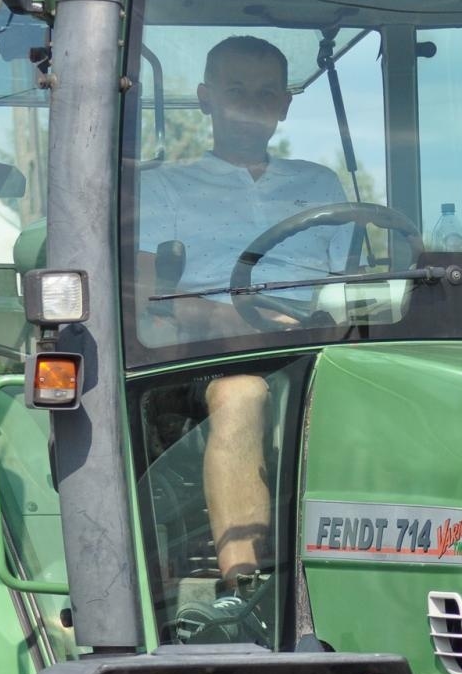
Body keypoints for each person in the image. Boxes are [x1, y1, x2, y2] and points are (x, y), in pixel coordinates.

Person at [136, 35, 347, 586]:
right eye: (236, 90)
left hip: (315, 347)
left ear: (284, 104)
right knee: (242, 393)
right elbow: (141, 299)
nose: (251, 102)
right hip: (202, 355)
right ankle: (243, 589)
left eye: (265, 92)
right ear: (205, 98)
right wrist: (228, 322)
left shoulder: (320, 185)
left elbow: (357, 287)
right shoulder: (163, 188)